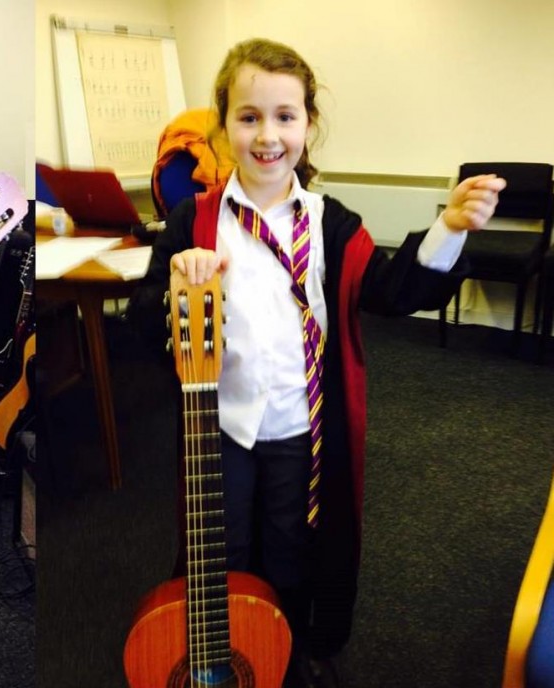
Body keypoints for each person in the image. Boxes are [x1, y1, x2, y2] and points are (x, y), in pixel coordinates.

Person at [128, 39, 505, 688]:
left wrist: (449, 226)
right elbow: (140, 324)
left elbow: (395, 290)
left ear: (308, 126)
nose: (267, 135)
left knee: (294, 553)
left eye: (285, 116)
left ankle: (283, 653)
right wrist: (175, 283)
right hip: (222, 426)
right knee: (220, 550)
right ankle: (217, 655)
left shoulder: (331, 222)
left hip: (301, 428)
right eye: (249, 118)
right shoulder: (196, 220)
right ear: (223, 126)